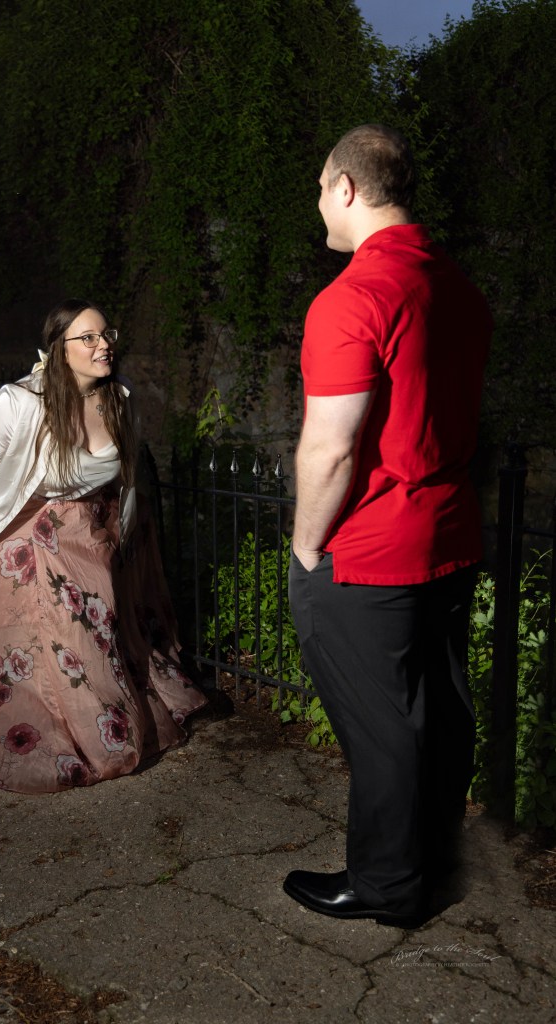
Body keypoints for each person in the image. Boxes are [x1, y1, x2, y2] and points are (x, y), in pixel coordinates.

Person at [284, 125, 492, 927]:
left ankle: (385, 887)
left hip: (372, 550)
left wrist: (306, 546)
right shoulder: (456, 286)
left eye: (319, 188)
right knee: (436, 713)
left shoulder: (353, 297)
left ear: (344, 187)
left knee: (382, 731)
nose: (317, 205)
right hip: (449, 532)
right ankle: (428, 863)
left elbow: (330, 448)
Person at [0, 299, 205, 793]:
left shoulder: (120, 398)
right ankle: (90, 739)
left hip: (97, 536)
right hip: (42, 535)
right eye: (88, 338)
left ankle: (98, 725)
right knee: (71, 639)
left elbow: (128, 477)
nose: (104, 345)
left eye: (106, 334)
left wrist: (127, 536)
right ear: (58, 349)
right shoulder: (22, 403)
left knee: (98, 640)